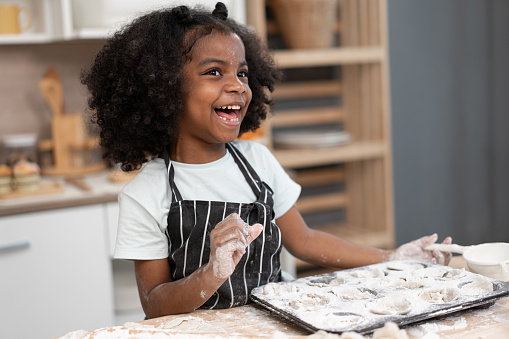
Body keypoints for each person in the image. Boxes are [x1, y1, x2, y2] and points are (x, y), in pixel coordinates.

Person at [81, 2, 452, 319]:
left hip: (275, 324)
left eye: (242, 72)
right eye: (214, 72)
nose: (238, 86)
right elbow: (154, 305)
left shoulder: (256, 160)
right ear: (163, 89)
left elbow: (305, 241)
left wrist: (391, 257)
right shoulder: (146, 194)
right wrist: (211, 273)